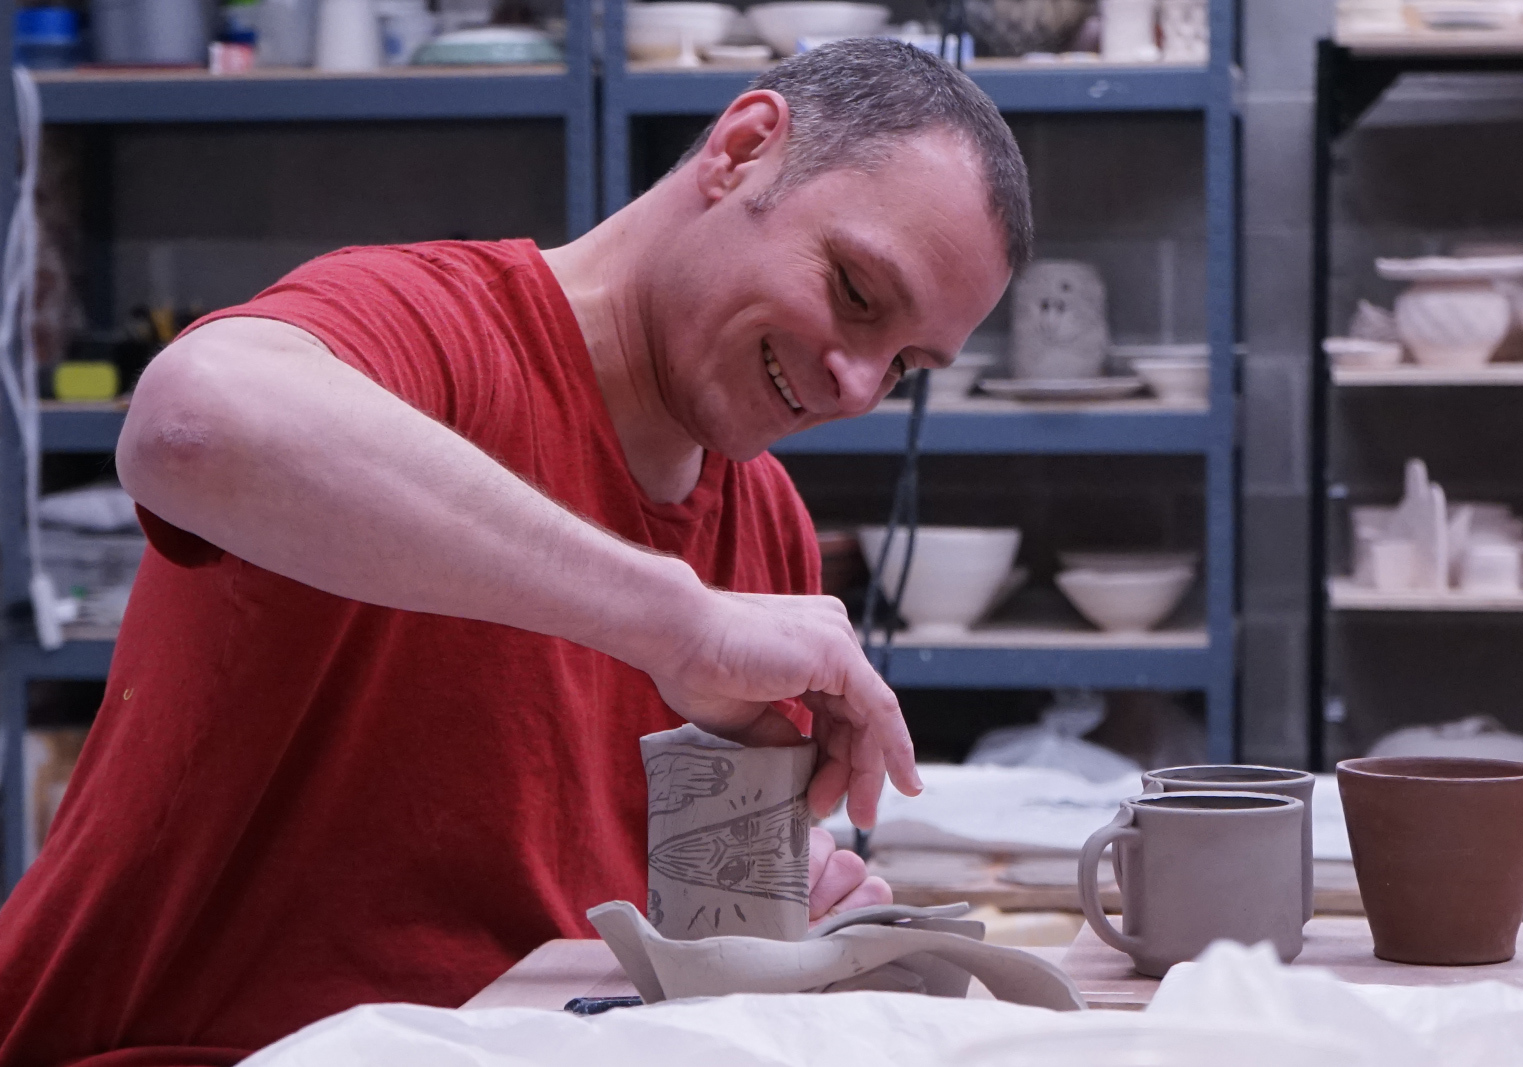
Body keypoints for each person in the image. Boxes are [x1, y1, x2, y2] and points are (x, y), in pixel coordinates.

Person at [0, 38, 1030, 1064]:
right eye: (854, 290)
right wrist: (674, 616)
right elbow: (191, 424)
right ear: (744, 150)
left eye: (905, 364)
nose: (856, 385)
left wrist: (759, 911)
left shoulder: (764, 526)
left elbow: (606, 921)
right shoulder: (432, 331)